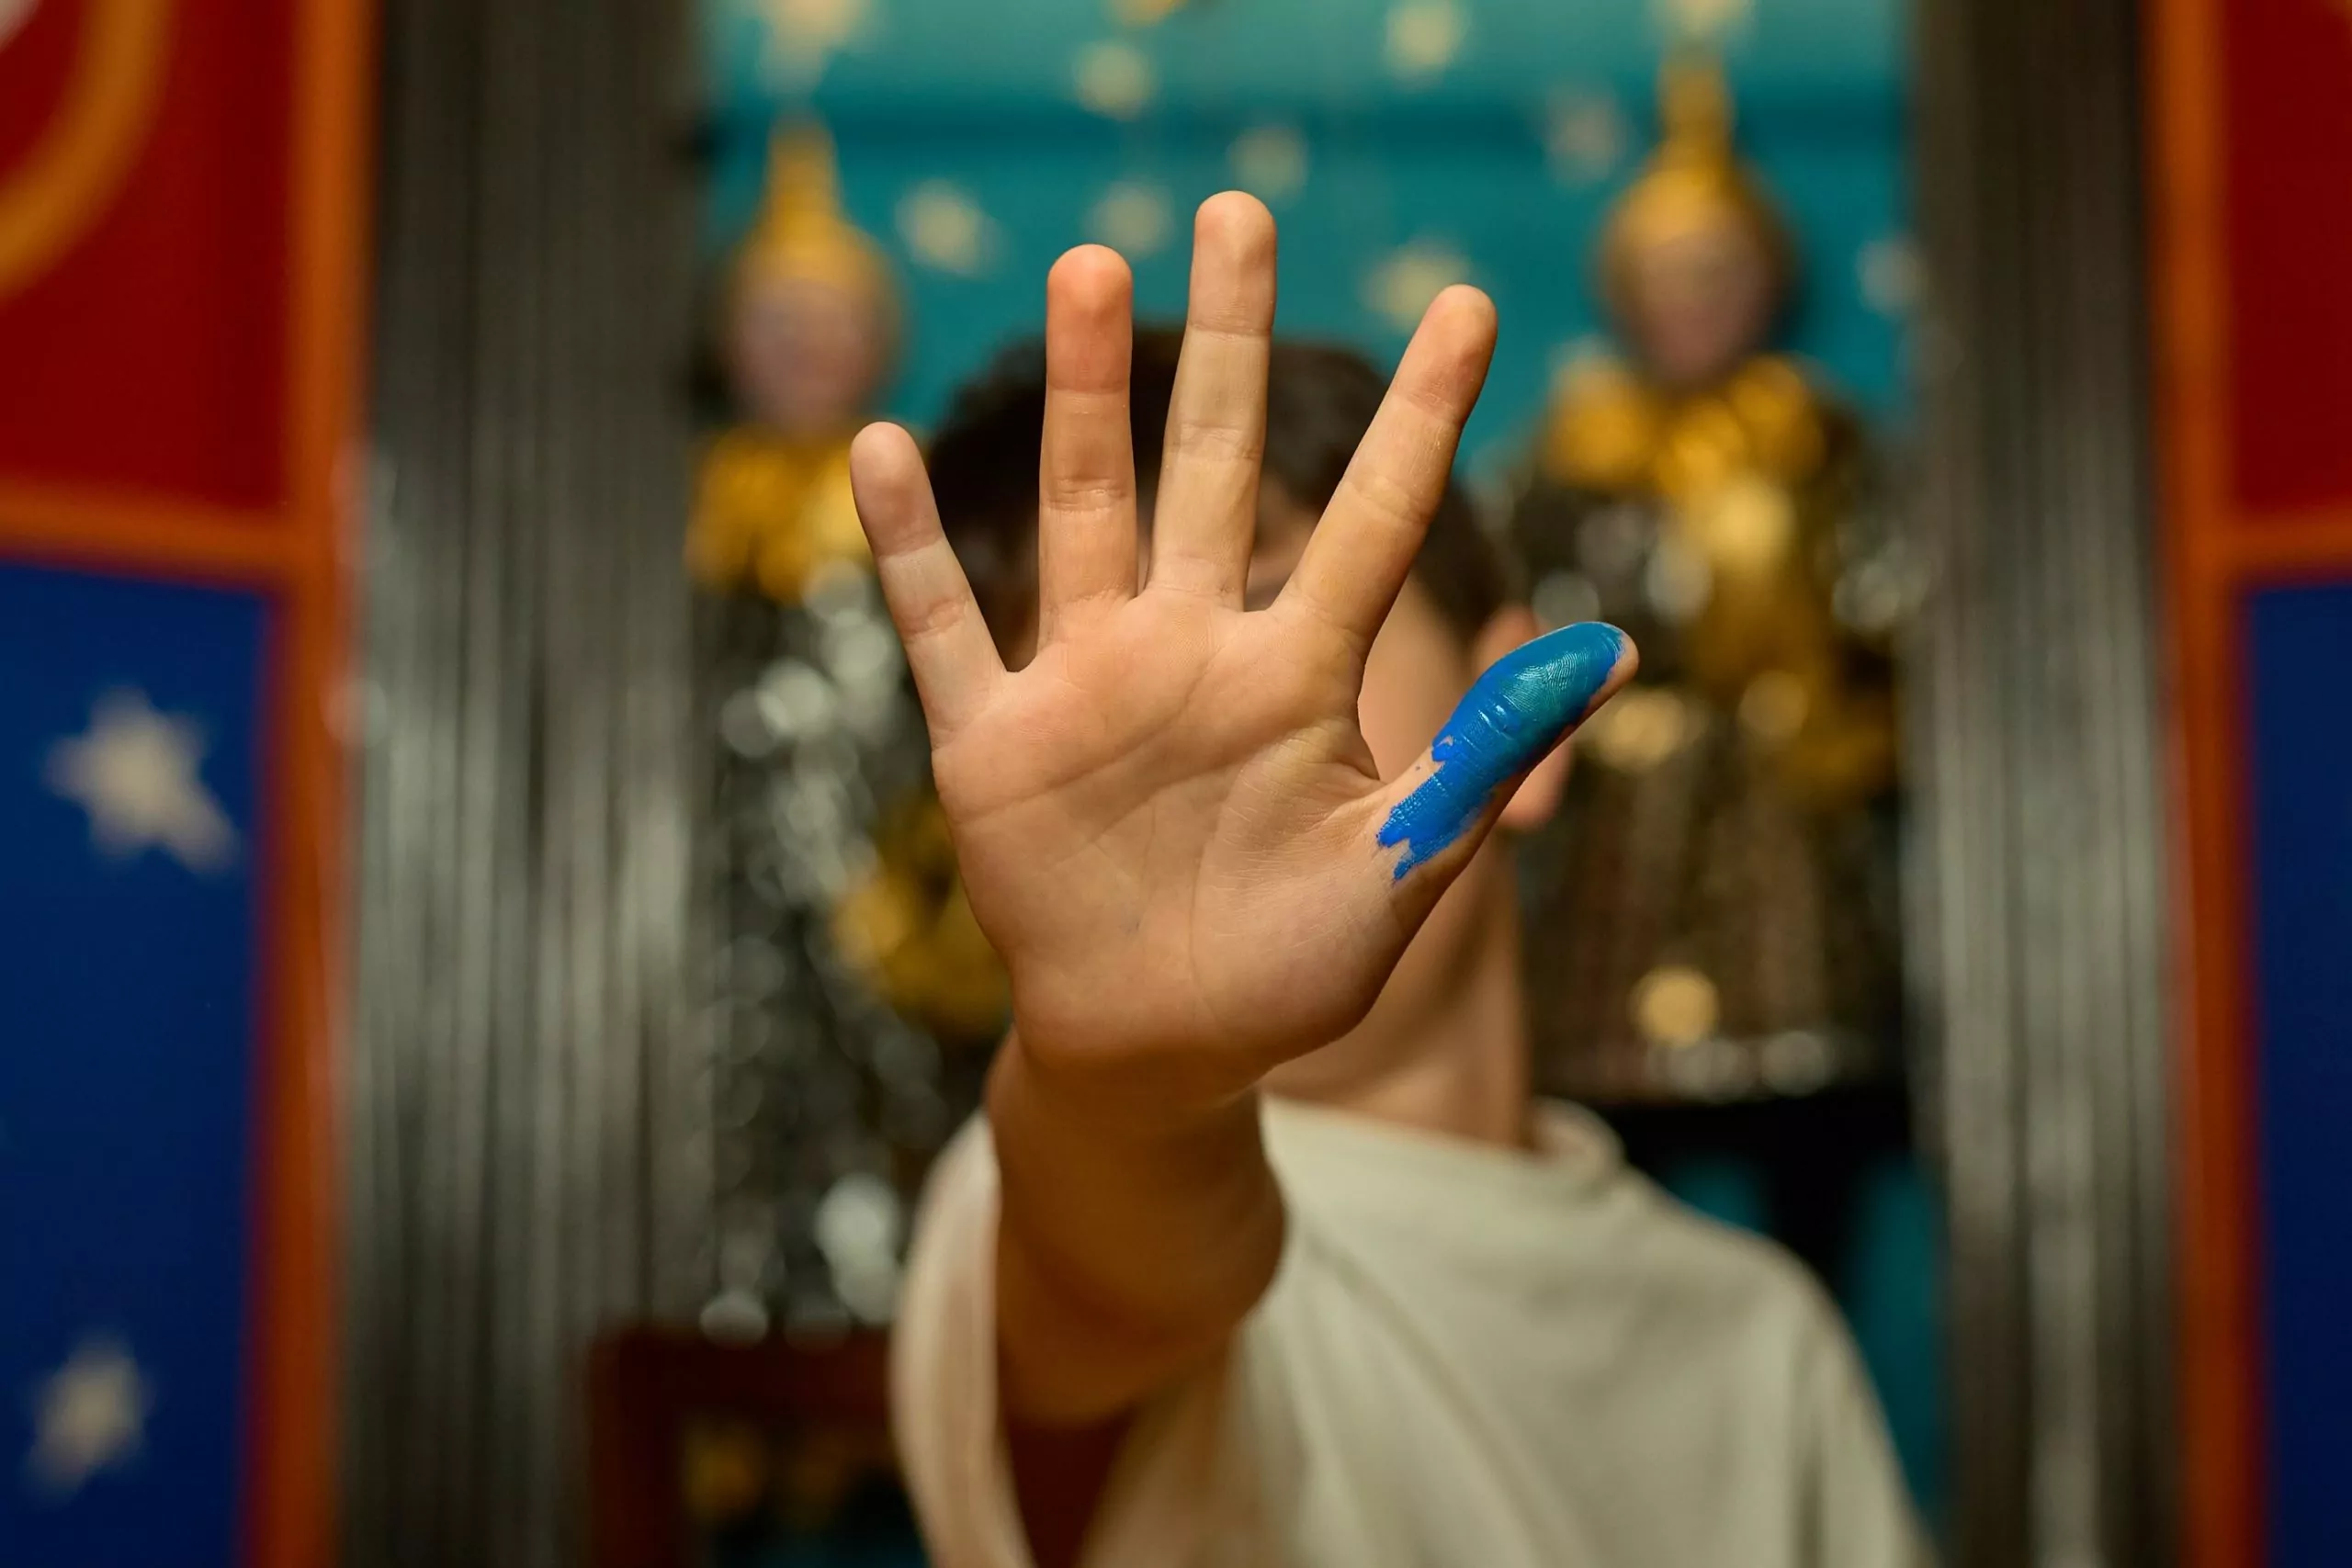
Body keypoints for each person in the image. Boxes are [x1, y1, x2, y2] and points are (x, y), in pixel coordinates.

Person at [847, 192, 1927, 1568]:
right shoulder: (1050, 1183)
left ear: (1526, 716)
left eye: (1262, 615)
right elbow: (1122, 1267)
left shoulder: (1762, 1337)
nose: (1181, 756)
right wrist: (1136, 1078)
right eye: (1082, 726)